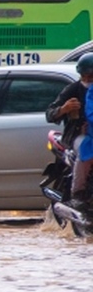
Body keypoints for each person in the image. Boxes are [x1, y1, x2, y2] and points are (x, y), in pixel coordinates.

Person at [47, 53, 93, 208]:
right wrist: (64, 109)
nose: (87, 79)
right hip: (79, 136)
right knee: (87, 152)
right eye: (84, 75)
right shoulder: (73, 90)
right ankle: (78, 193)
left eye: (91, 76)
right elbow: (50, 113)